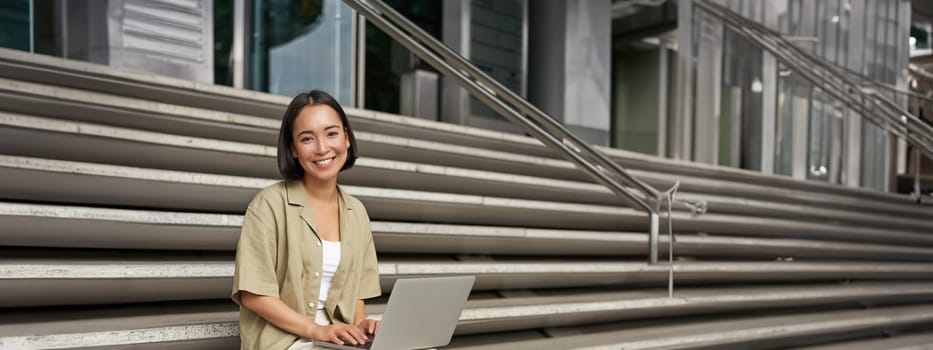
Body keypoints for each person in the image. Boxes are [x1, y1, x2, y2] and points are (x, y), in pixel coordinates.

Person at [232, 90, 381, 350]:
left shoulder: (356, 212)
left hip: (337, 341)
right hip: (286, 341)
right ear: (293, 148)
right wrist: (317, 331)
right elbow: (253, 294)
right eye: (307, 138)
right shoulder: (268, 205)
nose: (322, 148)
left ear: (346, 137)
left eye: (331, 133)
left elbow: (357, 294)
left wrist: (361, 328)